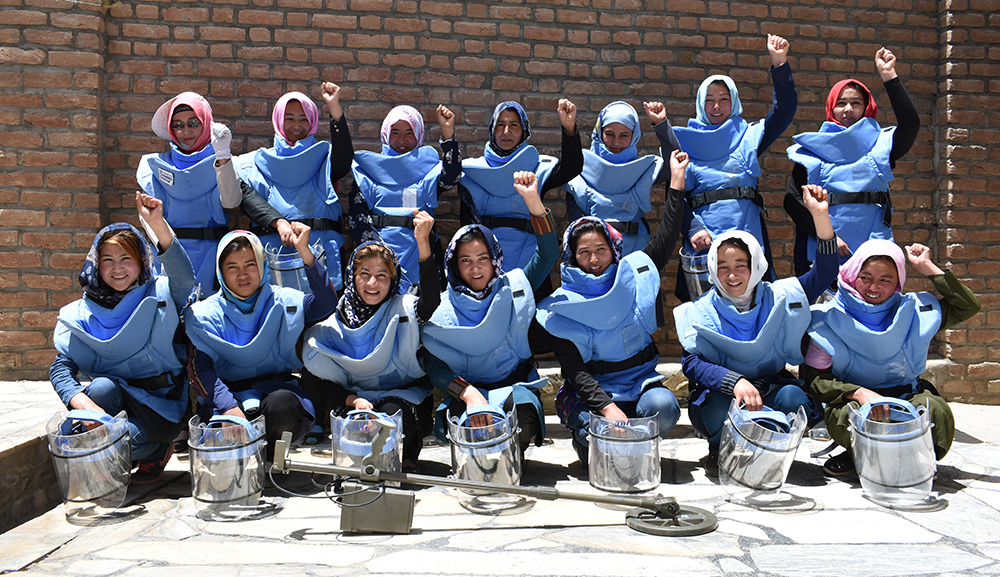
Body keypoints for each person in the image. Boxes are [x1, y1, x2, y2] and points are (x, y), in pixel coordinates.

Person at [536, 150, 689, 467]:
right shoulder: (563, 306)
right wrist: (607, 409)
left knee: (665, 406)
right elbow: (575, 370)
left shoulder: (634, 276)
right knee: (597, 437)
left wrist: (676, 180)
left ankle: (630, 437)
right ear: (572, 257)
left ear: (614, 249)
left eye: (601, 250)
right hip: (591, 393)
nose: (593, 260)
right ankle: (600, 439)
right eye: (584, 252)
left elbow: (666, 235)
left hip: (639, 382)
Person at [673, 185, 838, 477]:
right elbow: (692, 363)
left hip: (770, 388)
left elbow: (824, 273)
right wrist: (734, 382)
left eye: (741, 264)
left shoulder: (780, 296)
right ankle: (719, 449)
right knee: (715, 407)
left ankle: (773, 448)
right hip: (725, 393)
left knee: (793, 399)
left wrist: (820, 216)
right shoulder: (699, 310)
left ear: (756, 265)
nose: (732, 275)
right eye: (722, 266)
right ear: (712, 269)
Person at [50, 192, 196, 484]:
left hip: (160, 404)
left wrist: (157, 225)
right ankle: (114, 448)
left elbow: (185, 278)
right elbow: (60, 367)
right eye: (107, 260)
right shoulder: (80, 313)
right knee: (101, 388)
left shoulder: (162, 294)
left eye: (126, 258)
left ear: (142, 261)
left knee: (115, 444)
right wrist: (80, 402)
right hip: (114, 400)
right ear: (95, 263)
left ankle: (155, 449)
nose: (117, 268)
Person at [801, 240, 980, 475]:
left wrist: (927, 267)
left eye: (886, 279)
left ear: (898, 282)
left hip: (905, 396)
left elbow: (968, 306)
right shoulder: (828, 319)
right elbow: (816, 380)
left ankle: (903, 457)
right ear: (852, 274)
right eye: (865, 277)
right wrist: (859, 393)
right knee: (852, 416)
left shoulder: (914, 311)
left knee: (934, 409)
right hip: (856, 400)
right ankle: (858, 453)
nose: (874, 287)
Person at [651, 34, 797, 301]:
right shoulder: (683, 143)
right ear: (700, 104)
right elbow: (674, 197)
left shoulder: (749, 137)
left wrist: (779, 63)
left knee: (755, 312)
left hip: (748, 238)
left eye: (724, 98)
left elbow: (785, 110)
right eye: (709, 99)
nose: (716, 106)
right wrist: (692, 229)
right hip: (706, 242)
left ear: (734, 102)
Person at [422, 171, 558, 454]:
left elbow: (547, 253)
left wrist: (532, 199)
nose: (475, 268)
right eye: (466, 260)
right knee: (463, 427)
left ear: (495, 258)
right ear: (454, 266)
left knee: (519, 422)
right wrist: (468, 393)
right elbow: (435, 367)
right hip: (467, 391)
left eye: (483, 258)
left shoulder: (514, 287)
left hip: (514, 386)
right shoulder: (443, 308)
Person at [184, 223, 338, 461]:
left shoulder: (282, 300)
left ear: (263, 266)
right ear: (220, 272)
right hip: (226, 396)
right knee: (222, 438)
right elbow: (201, 369)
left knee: (283, 405)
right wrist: (229, 408)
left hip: (275, 392)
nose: (242, 274)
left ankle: (266, 463)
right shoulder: (205, 314)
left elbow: (326, 303)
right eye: (232, 267)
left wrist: (305, 252)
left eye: (250, 264)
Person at [302, 210, 439, 472]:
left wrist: (423, 244)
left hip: (402, 399)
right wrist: (354, 401)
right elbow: (326, 383)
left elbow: (431, 301)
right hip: (356, 401)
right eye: (364, 273)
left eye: (382, 276)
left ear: (394, 279)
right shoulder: (335, 320)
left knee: (391, 416)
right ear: (351, 277)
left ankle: (403, 463)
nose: (372, 283)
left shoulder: (404, 310)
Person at [784, 48, 920, 275]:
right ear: (831, 108)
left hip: (873, 249)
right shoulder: (811, 150)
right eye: (841, 103)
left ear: (866, 107)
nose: (848, 109)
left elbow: (911, 125)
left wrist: (889, 76)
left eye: (856, 103)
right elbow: (792, 200)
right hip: (825, 249)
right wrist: (827, 237)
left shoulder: (881, 145)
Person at [235, 88, 351, 290]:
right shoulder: (252, 163)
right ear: (278, 119)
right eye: (289, 119)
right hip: (274, 258)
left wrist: (334, 108)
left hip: (321, 255)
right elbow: (246, 199)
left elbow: (343, 160)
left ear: (313, 122)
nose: (297, 126)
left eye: (303, 119)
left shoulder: (326, 158)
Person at [458, 99, 583, 279]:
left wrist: (568, 126)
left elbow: (571, 168)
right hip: (484, 266)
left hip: (532, 262)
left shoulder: (538, 169)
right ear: (492, 130)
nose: (506, 131)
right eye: (500, 125)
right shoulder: (474, 172)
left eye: (514, 125)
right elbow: (467, 227)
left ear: (524, 131)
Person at [347, 100, 461, 290]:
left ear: (419, 136)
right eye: (396, 133)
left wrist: (448, 133)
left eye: (409, 133)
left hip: (420, 256)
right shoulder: (367, 172)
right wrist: (381, 257)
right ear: (385, 134)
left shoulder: (428, 172)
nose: (402, 140)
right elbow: (358, 220)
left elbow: (452, 176)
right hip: (378, 263)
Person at [137, 92, 240, 294]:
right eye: (178, 125)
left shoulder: (224, 162)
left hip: (212, 258)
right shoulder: (154, 165)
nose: (186, 131)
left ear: (206, 123)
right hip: (166, 256)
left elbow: (231, 202)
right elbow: (148, 220)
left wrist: (223, 156)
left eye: (193, 123)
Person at [562, 101, 680, 255]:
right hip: (592, 256)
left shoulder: (641, 168)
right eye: (609, 134)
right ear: (599, 132)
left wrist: (661, 124)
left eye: (624, 135)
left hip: (634, 251)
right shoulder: (581, 167)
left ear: (634, 135)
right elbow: (575, 216)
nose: (616, 142)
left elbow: (675, 164)